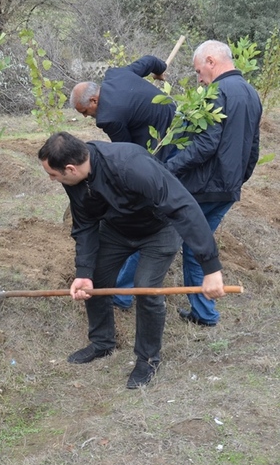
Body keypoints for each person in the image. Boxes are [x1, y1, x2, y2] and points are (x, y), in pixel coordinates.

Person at [38, 132, 225, 388]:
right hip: (117, 230)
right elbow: (84, 226)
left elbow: (183, 208)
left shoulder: (130, 165)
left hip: (159, 230)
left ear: (70, 168)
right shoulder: (73, 180)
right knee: (96, 281)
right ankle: (102, 343)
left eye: (53, 175)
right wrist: (84, 271)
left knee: (146, 287)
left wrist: (211, 267)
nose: (51, 180)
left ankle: (147, 359)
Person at [165, 40, 261, 326]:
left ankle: (120, 296)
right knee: (198, 245)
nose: (199, 78)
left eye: (198, 71)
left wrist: (168, 169)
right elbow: (253, 146)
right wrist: (240, 178)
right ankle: (204, 313)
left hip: (203, 187)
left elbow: (206, 144)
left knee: (159, 236)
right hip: (227, 188)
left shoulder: (216, 91)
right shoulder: (251, 93)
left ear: (210, 61)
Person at [70, 56, 177, 309]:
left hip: (162, 140)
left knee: (154, 189)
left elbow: (125, 152)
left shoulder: (109, 116)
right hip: (175, 118)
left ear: (94, 100)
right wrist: (160, 73)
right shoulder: (116, 75)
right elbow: (151, 61)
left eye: (86, 112)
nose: (88, 118)